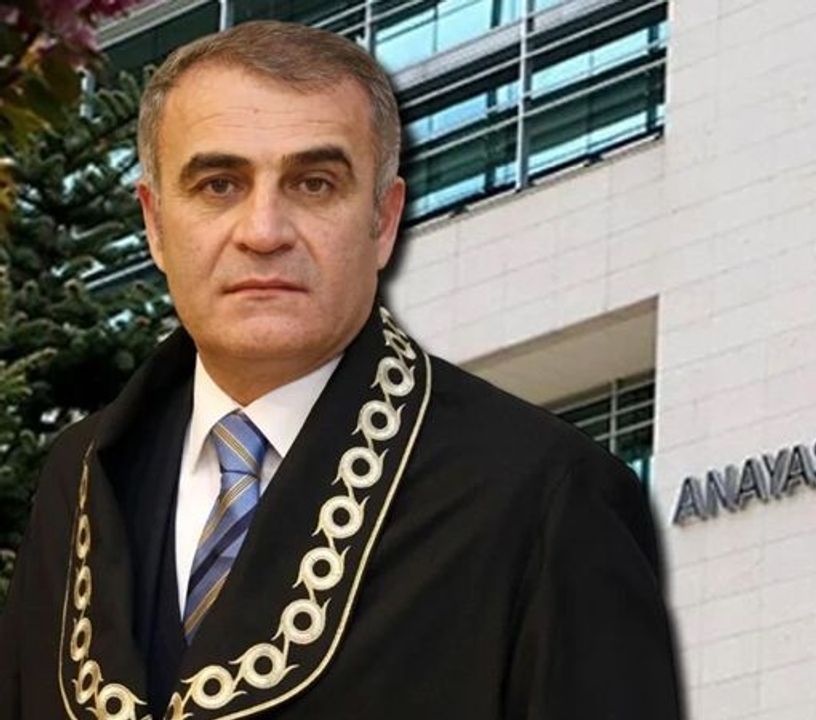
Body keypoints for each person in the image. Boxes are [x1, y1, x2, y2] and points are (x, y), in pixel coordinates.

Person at [0, 19, 684, 720]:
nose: (263, 231)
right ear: (154, 223)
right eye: (219, 184)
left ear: (383, 221)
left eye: (314, 184)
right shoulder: (80, 477)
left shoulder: (545, 496)